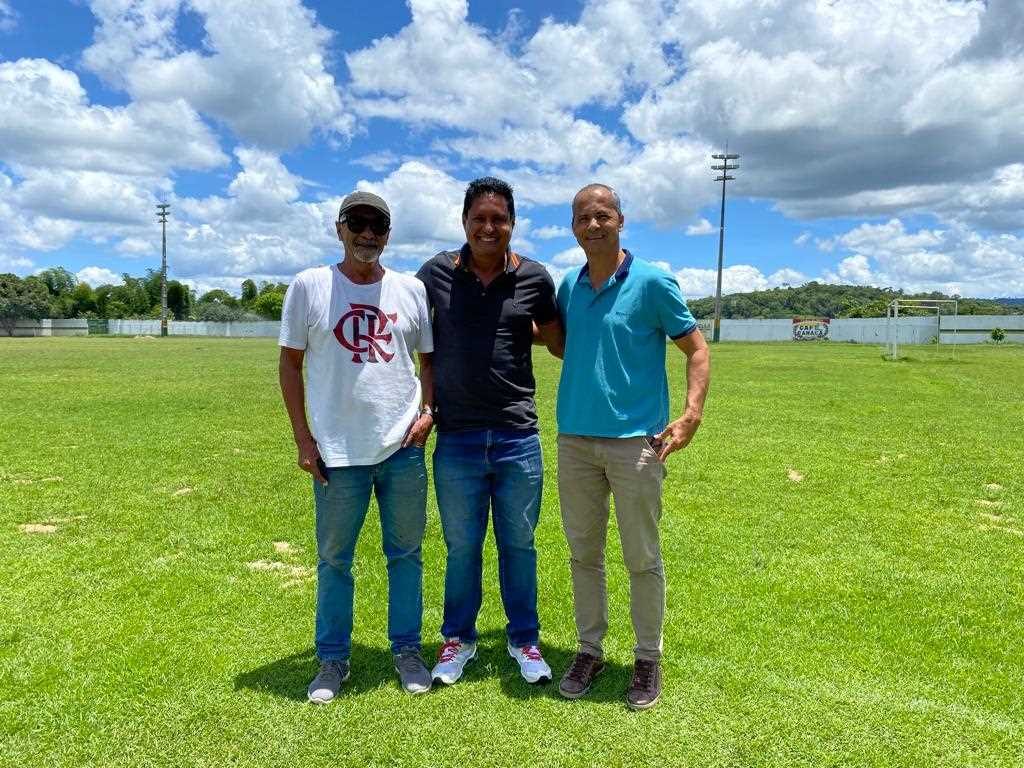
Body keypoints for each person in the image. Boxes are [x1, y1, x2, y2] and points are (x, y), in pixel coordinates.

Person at [555, 183, 710, 710]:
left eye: (603, 215)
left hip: (636, 445)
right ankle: (589, 650)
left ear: (620, 220)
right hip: (575, 441)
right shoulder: (568, 286)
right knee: (584, 555)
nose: (593, 225)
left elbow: (696, 349)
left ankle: (647, 658)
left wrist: (691, 414)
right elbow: (564, 343)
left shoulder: (652, 281)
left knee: (641, 556)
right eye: (583, 218)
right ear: (573, 228)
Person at [278, 190, 436, 703]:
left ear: (388, 234)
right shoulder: (310, 286)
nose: (367, 233)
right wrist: (304, 439)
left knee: (406, 555)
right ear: (339, 228)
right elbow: (289, 364)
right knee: (334, 560)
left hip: (402, 447)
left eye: (378, 225)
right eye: (357, 223)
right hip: (337, 452)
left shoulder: (411, 290)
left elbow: (428, 362)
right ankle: (332, 659)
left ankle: (407, 650)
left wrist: (428, 413)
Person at [416, 177, 563, 685]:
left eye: (498, 218)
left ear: (512, 224)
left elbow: (559, 341)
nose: (488, 227)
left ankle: (524, 640)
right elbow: (411, 332)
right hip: (456, 437)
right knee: (462, 548)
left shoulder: (535, 277)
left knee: (519, 545)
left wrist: (524, 327)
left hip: (516, 437)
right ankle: (458, 639)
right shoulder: (434, 272)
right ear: (464, 222)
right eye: (479, 218)